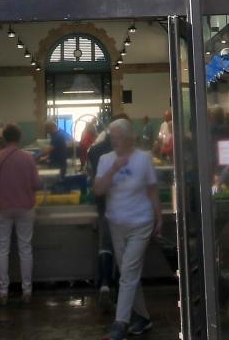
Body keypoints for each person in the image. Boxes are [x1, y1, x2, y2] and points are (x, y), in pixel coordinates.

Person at [95, 118, 162, 340]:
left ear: (128, 137)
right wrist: (113, 169)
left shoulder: (143, 159)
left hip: (141, 223)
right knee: (128, 274)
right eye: (112, 137)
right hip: (116, 224)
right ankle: (143, 317)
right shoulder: (106, 160)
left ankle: (120, 323)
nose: (115, 141)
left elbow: (152, 190)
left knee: (129, 272)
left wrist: (158, 217)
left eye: (118, 137)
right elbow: (98, 190)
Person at [0, 122, 41, 305]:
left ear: (5, 138)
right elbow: (36, 184)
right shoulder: (28, 158)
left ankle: (3, 292)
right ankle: (27, 291)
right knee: (25, 248)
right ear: (19, 138)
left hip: (2, 208)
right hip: (25, 207)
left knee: (2, 248)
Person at [87, 128, 115, 307]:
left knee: (105, 245)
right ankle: (118, 287)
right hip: (125, 209)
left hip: (103, 204)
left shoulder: (95, 151)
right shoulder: (129, 153)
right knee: (123, 250)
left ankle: (104, 283)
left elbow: (91, 177)